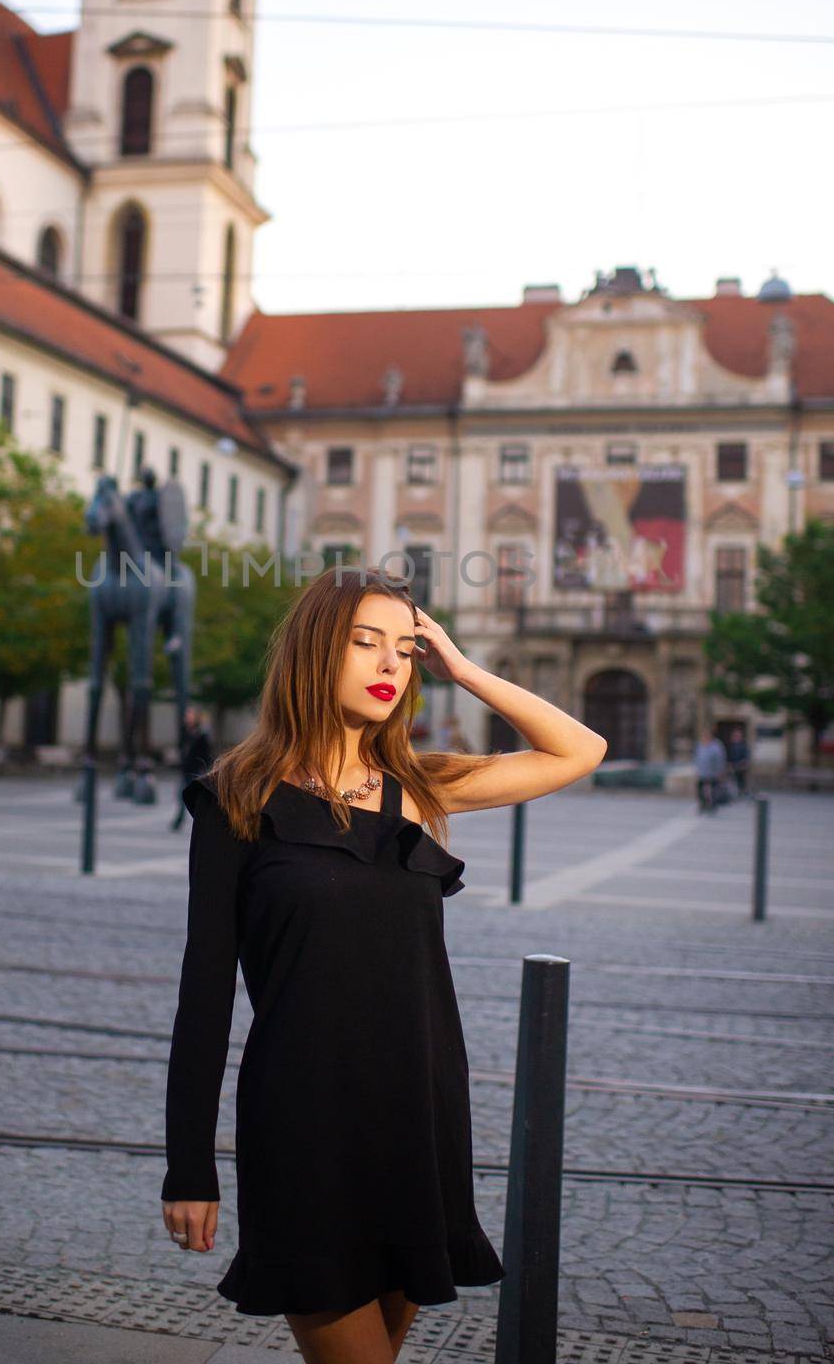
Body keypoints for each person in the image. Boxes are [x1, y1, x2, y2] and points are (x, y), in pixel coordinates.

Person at [160, 567, 607, 1363]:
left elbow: (580, 749)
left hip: (419, 1117)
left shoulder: (416, 785)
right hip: (304, 1128)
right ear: (312, 652)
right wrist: (188, 1168)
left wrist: (462, 668)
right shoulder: (236, 798)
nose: (389, 665)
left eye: (404, 649)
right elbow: (204, 994)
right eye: (365, 643)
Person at [170, 706, 215, 832]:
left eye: (189, 715)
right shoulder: (186, 732)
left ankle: (201, 821)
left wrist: (205, 770)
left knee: (194, 799)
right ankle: (179, 821)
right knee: (181, 796)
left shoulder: (201, 734)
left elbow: (207, 754)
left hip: (196, 771)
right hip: (186, 770)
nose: (187, 717)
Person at [694, 727, 728, 813]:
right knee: (700, 789)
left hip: (713, 772)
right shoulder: (700, 745)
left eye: (707, 735)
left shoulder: (716, 746)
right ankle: (703, 804)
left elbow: (720, 759)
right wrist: (696, 770)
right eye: (704, 735)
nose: (705, 736)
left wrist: (721, 771)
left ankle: (712, 805)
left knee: (713, 790)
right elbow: (697, 758)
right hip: (702, 771)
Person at [726, 725, 751, 799]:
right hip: (733, 768)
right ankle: (735, 794)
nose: (736, 737)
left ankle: (742, 792)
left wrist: (744, 763)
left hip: (741, 768)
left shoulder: (743, 745)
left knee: (742, 781)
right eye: (735, 735)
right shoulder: (731, 746)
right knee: (733, 781)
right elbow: (729, 757)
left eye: (737, 735)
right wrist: (729, 765)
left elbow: (746, 757)